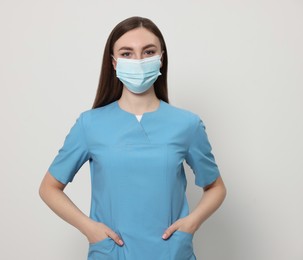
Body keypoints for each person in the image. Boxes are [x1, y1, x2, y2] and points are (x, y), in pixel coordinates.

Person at [39, 16, 226, 260]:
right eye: (127, 53)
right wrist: (89, 228)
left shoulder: (186, 124)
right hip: (111, 253)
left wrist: (191, 224)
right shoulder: (90, 125)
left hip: (170, 253)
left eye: (148, 51)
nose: (138, 60)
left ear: (161, 58)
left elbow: (216, 187)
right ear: (114, 63)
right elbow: (49, 188)